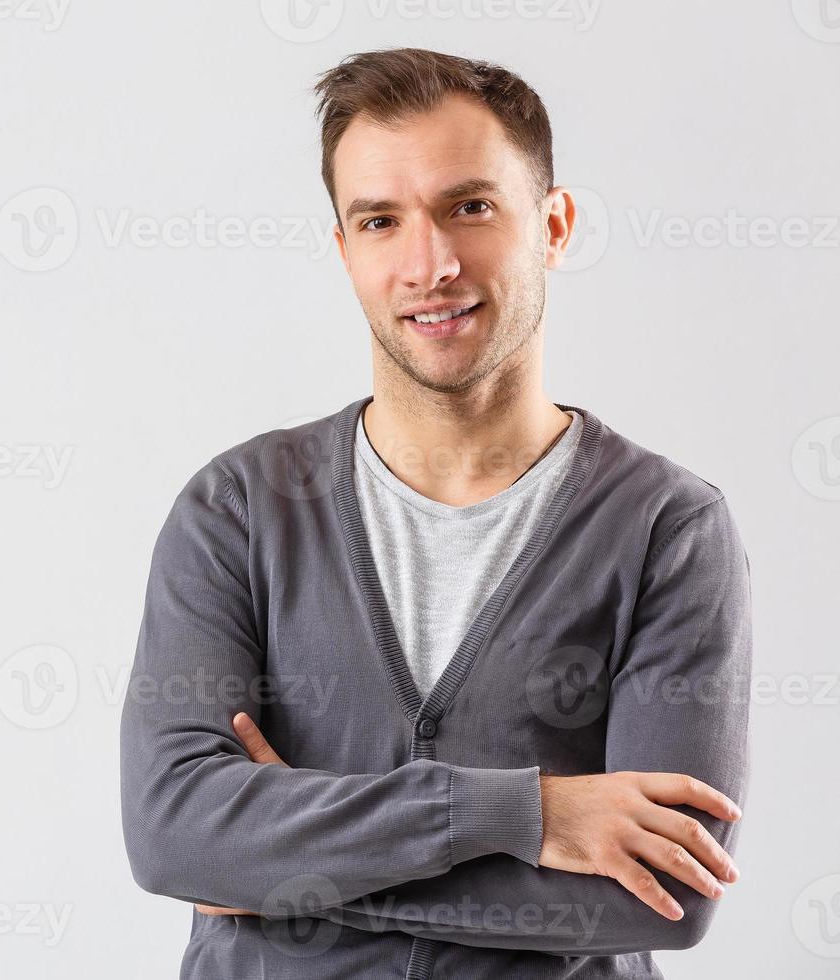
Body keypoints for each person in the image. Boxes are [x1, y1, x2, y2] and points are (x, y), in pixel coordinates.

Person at [118, 47, 751, 980]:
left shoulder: (668, 527)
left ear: (554, 224)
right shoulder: (239, 509)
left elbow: (659, 895)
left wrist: (285, 862)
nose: (431, 263)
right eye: (381, 220)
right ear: (346, 251)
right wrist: (525, 817)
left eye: (471, 206)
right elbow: (173, 835)